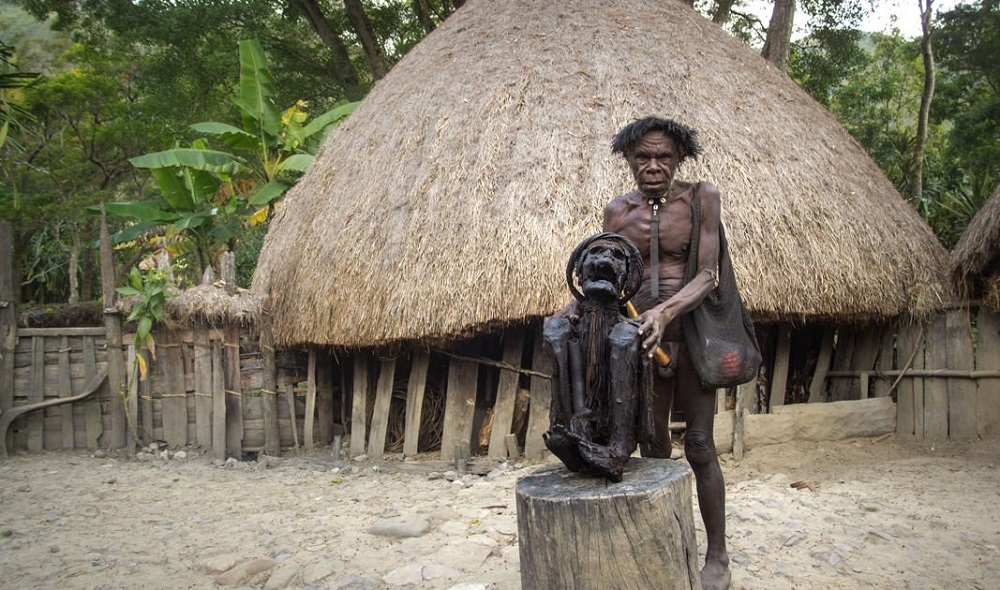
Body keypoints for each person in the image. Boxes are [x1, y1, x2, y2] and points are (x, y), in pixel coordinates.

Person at [604, 116, 730, 590]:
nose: (653, 166)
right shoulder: (617, 212)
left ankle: (716, 556)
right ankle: (665, 545)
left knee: (698, 445)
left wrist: (665, 313)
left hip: (691, 336)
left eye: (663, 157)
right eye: (643, 157)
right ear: (629, 160)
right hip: (643, 343)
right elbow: (609, 276)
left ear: (679, 159)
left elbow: (707, 274)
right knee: (653, 449)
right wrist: (572, 306)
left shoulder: (702, 199)